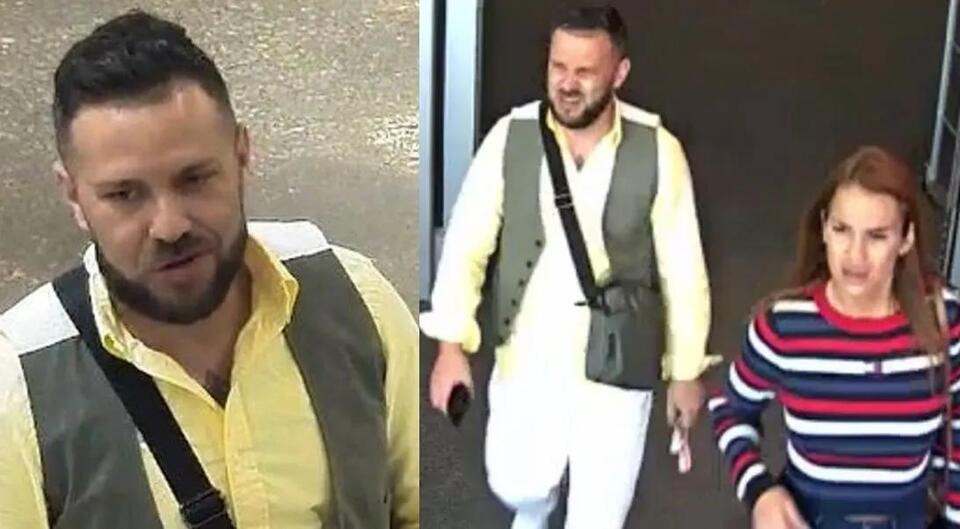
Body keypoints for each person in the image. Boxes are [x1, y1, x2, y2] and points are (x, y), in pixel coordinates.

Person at [0, 10, 419, 529]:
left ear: (242, 156)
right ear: (73, 196)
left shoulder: (359, 302)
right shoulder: (18, 388)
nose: (169, 225)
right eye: (124, 194)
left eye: (195, 179)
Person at [421, 5, 714, 528]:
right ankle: (536, 509)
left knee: (598, 518)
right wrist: (450, 348)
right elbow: (466, 244)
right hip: (527, 360)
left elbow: (684, 272)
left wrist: (685, 372)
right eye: (558, 67)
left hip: (618, 363)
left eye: (585, 71)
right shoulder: (511, 136)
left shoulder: (659, 150)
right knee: (516, 484)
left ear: (619, 73)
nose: (567, 84)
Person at [709, 146, 960, 529]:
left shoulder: (944, 321)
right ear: (824, 227)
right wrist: (759, 490)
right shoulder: (783, 326)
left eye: (877, 236)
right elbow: (730, 409)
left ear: (906, 239)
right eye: (842, 230)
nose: (855, 256)